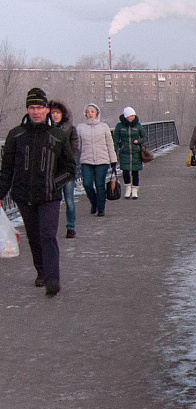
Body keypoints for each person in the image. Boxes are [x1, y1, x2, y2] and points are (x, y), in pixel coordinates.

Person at [0, 88, 76, 296]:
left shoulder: (58, 136)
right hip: (24, 196)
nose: (36, 112)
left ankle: (53, 278)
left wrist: (53, 182)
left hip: (49, 196)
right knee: (33, 236)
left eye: (40, 107)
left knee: (47, 235)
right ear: (27, 109)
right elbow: (6, 169)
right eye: (32, 107)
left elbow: (69, 168)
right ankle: (41, 272)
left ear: (47, 110)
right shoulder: (16, 135)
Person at [75, 103, 118, 217]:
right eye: (88, 112)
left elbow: (110, 144)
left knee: (99, 185)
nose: (90, 114)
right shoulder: (80, 128)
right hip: (86, 160)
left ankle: (101, 208)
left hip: (102, 160)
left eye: (92, 112)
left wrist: (113, 160)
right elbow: (77, 146)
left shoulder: (104, 127)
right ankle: (94, 203)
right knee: (87, 184)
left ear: (96, 113)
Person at [48, 101, 80, 237]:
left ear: (63, 114)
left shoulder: (70, 129)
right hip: (51, 171)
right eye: (53, 112)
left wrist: (71, 166)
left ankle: (70, 227)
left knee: (69, 200)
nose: (55, 115)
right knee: (52, 202)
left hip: (66, 171)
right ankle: (50, 229)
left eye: (58, 113)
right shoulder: (46, 130)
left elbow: (75, 150)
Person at [113, 106, 147, 199]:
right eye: (130, 116)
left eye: (133, 116)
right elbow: (115, 138)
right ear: (125, 117)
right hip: (124, 152)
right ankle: (128, 188)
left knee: (135, 172)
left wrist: (138, 141)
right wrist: (115, 149)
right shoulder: (119, 126)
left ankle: (135, 190)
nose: (132, 118)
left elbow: (145, 137)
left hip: (136, 152)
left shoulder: (138, 126)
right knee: (125, 171)